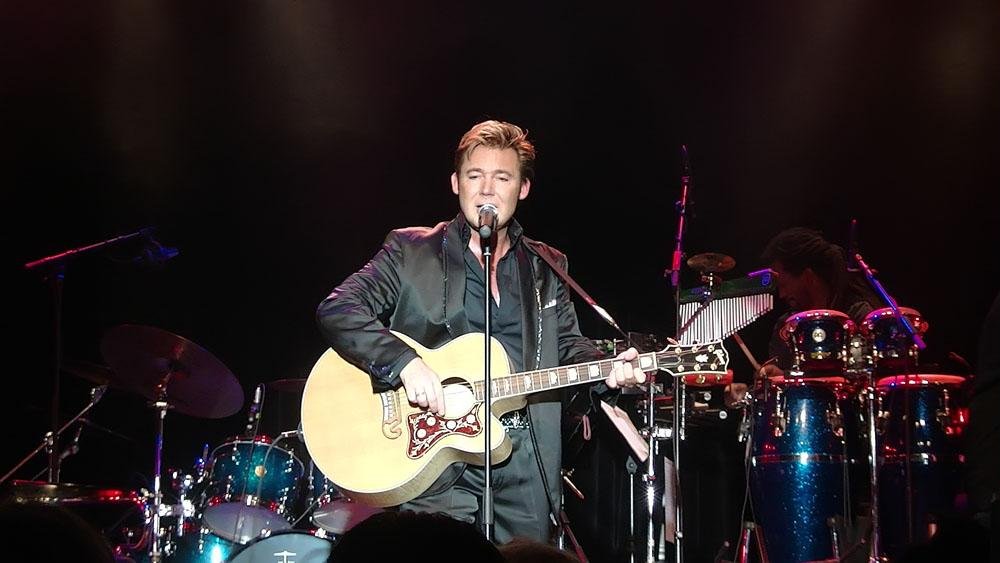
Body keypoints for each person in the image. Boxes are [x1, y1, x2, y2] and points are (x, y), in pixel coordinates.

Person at [316, 119, 646, 544]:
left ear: (522, 188)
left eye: (502, 178)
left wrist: (608, 371)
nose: (487, 189)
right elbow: (339, 307)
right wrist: (405, 363)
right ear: (456, 183)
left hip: (525, 461)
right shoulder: (411, 250)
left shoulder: (546, 266)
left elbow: (567, 346)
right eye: (475, 176)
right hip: (434, 459)